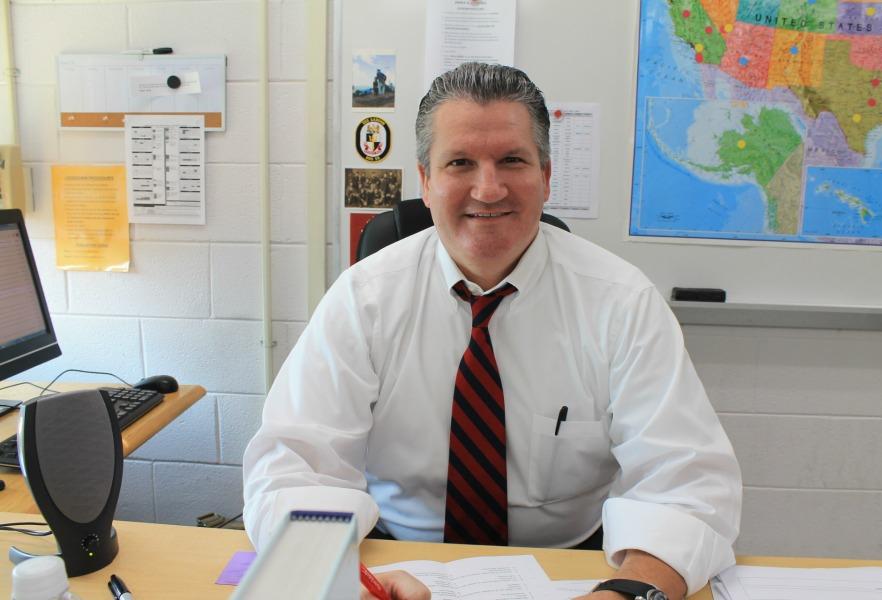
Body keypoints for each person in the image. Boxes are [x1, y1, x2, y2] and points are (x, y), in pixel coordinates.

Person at [243, 62, 742, 600]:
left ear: (546, 177)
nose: (487, 188)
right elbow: (296, 467)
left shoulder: (622, 302)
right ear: (427, 180)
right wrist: (347, 581)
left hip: (572, 568)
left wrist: (625, 593)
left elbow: (685, 482)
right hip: (395, 561)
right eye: (460, 162)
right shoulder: (363, 300)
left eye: (512, 160)